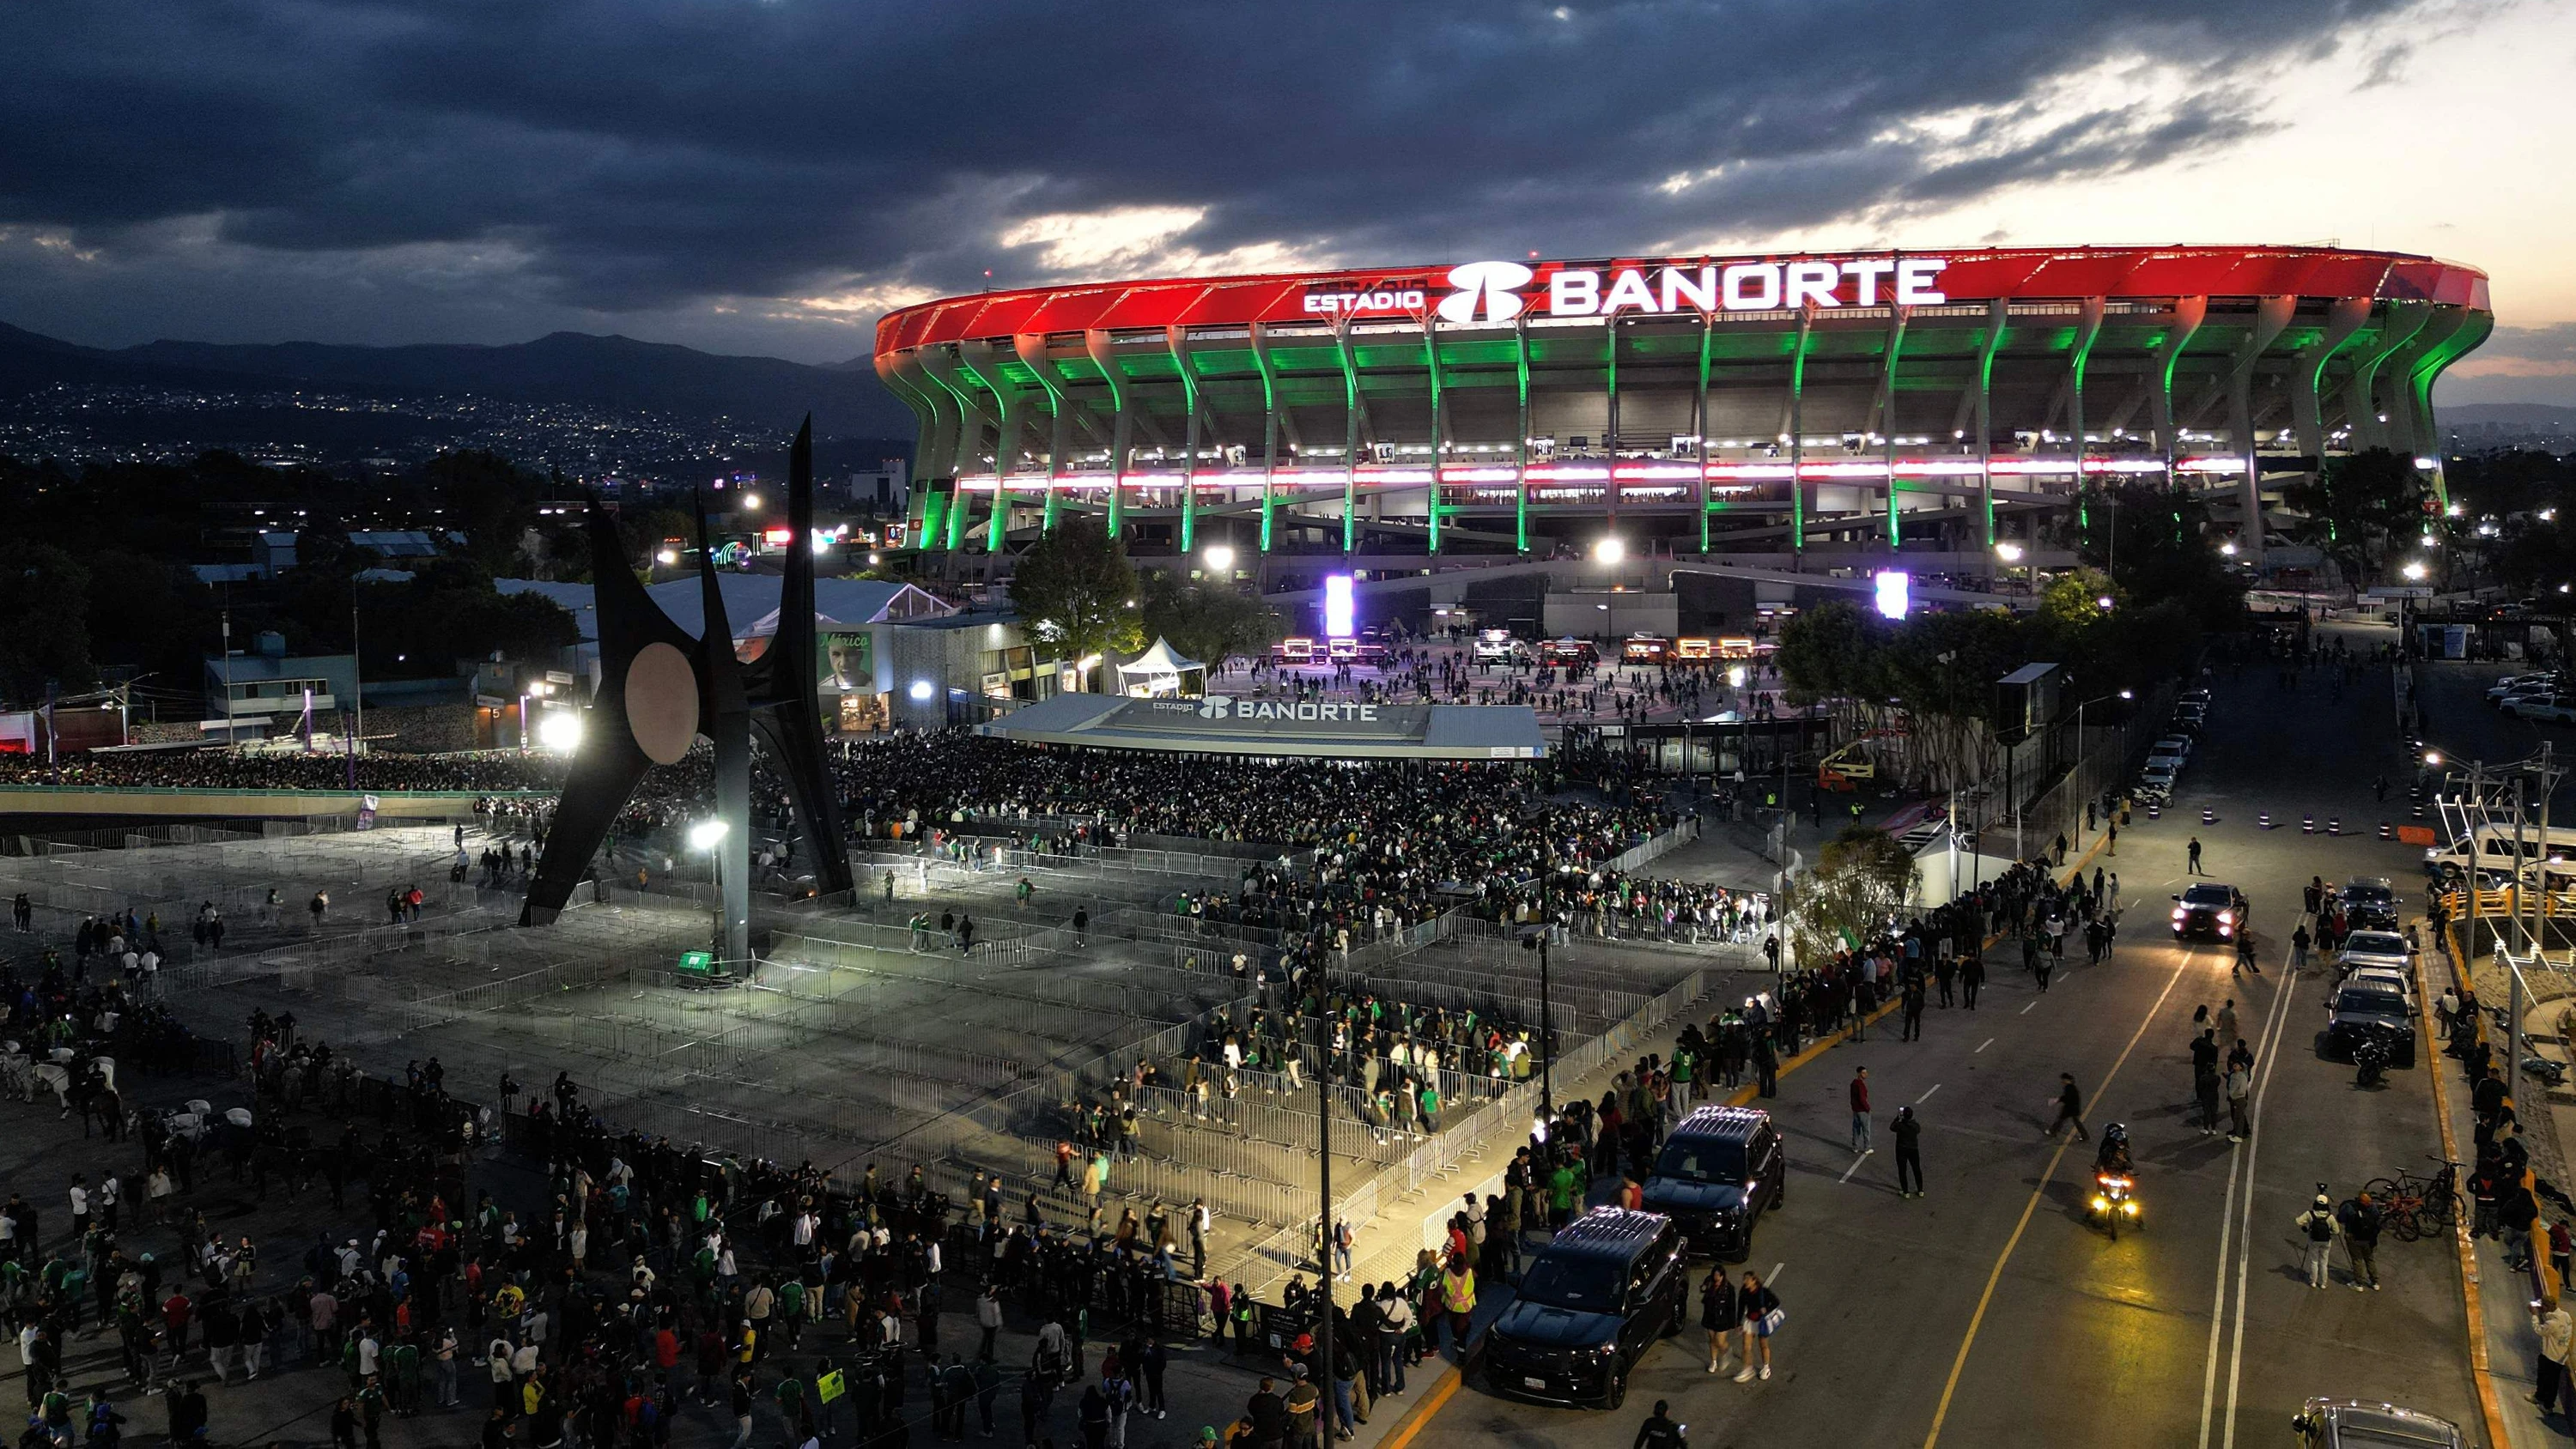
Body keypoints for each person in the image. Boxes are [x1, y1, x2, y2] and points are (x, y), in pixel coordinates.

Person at [1732, 1270, 1781, 1383]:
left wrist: (1766, 1310)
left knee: (1763, 1345)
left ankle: (1766, 1367)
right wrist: (1738, 1323)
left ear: (1754, 1280)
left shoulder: (1763, 1291)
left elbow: (1775, 1302)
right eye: (1744, 1279)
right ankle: (1747, 1368)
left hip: (1762, 1322)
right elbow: (1741, 1307)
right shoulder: (1744, 1292)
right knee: (1746, 1346)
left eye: (1747, 1279)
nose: (1745, 1282)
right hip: (1750, 1320)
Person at [2295, 1190, 2342, 1288]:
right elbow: (2337, 1231)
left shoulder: (2310, 1214)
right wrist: (2329, 1233)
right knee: (2324, 1262)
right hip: (2326, 1241)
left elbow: (2298, 1221)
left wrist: (2306, 1227)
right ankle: (2324, 1283)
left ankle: (2313, 1281)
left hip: (2314, 1240)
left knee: (2314, 1261)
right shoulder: (2330, 1217)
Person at [2339, 1191, 2383, 1291]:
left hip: (2354, 1238)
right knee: (2369, 1259)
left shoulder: (2350, 1207)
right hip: (2369, 1239)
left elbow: (2341, 1218)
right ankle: (2375, 1282)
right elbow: (2377, 1218)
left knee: (2357, 1260)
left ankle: (2358, 1283)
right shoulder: (2372, 1208)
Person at [1699, 1267, 1740, 1375]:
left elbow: (1732, 1306)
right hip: (1710, 1316)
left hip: (1723, 1318)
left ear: (1723, 1276)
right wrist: (1704, 1287)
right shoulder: (1710, 1282)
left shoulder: (1729, 1288)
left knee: (1719, 1341)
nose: (1716, 1277)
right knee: (1712, 1340)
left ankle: (1726, 1350)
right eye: (1715, 1275)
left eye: (1718, 1275)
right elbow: (1703, 1289)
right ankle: (1713, 1361)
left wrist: (1733, 1323)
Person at [1892, 1105, 1924, 1199]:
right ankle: (1920, 1189)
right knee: (1916, 1169)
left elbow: (1892, 1127)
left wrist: (1897, 1118)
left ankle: (1905, 1191)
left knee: (1902, 1170)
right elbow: (1918, 1129)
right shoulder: (1915, 1126)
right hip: (1913, 1149)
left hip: (1901, 1149)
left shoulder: (1900, 1125)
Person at [2045, 1073, 2089, 1142]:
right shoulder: (2072, 1087)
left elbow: (2067, 1098)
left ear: (2066, 1080)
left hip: (2069, 1108)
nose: (2062, 1082)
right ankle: (2085, 1136)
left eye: (2063, 1080)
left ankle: (2053, 1132)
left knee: (2060, 1120)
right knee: (2076, 1122)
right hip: (2074, 1108)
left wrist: (2058, 1100)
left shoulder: (2068, 1088)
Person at [1848, 1068, 1871, 1155]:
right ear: (1859, 1074)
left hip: (1855, 1110)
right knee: (1866, 1129)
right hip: (1862, 1110)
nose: (1866, 1074)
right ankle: (1867, 1147)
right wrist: (1867, 1108)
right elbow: (1862, 1098)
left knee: (1856, 1129)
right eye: (1864, 1073)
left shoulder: (1853, 1083)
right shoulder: (1860, 1085)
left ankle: (1855, 1147)